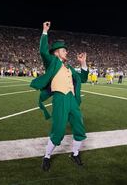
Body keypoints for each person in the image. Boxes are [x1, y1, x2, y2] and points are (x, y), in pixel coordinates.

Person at [30, 21, 89, 172]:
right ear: (56, 53)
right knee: (59, 130)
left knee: (79, 127)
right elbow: (43, 51)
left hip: (72, 100)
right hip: (60, 99)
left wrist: (83, 64)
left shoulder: (69, 68)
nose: (66, 52)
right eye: (64, 50)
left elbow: (82, 79)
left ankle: (75, 153)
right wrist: (44, 31)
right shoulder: (52, 62)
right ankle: (47, 156)